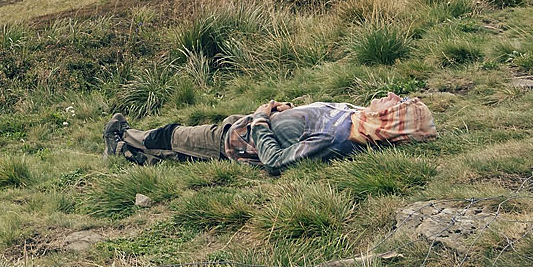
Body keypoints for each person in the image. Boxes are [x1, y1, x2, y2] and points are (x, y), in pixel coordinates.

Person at [103, 92, 434, 174]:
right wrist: (286, 110)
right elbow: (313, 117)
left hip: (236, 141)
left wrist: (262, 118)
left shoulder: (335, 141)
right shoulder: (356, 115)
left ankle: (123, 136)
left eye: (400, 102)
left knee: (170, 136)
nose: (392, 96)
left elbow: (275, 160)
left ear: (392, 120)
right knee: (177, 152)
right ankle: (129, 154)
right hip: (243, 124)